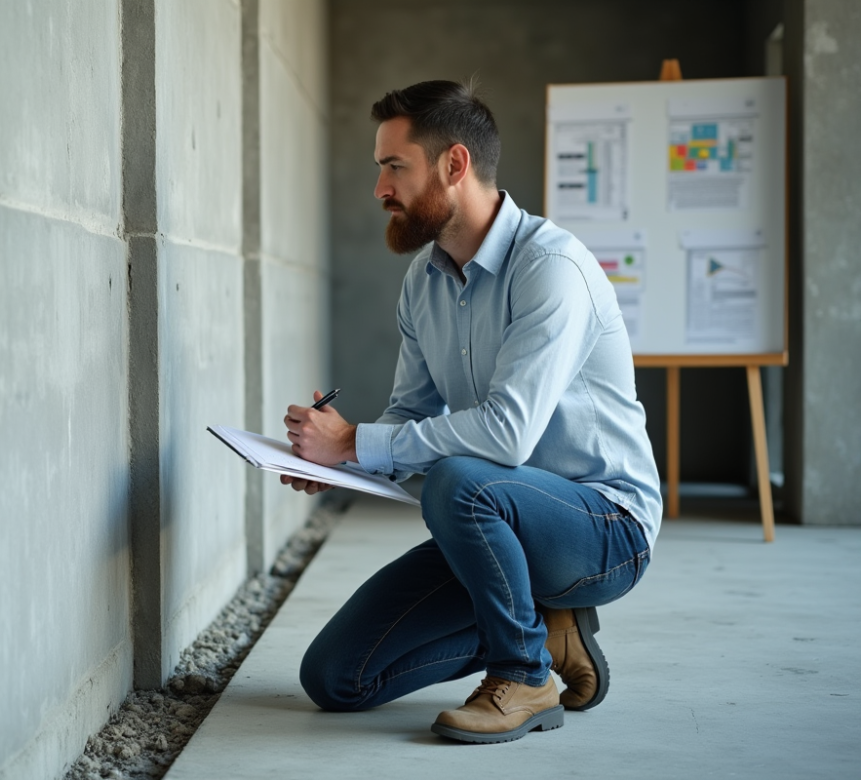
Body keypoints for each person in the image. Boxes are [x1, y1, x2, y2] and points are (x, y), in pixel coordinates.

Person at [280, 80, 662, 745]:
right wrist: (339, 465)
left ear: (454, 166)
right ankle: (542, 625)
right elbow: (407, 418)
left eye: (394, 166)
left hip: (605, 526)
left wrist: (354, 444)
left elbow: (505, 437)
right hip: (499, 528)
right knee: (336, 677)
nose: (379, 189)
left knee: (461, 477)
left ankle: (524, 676)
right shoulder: (423, 281)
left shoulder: (551, 268)